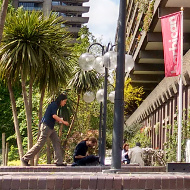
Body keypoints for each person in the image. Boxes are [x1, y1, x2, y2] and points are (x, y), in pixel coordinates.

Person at [21, 94, 69, 166]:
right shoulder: (54, 105)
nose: (65, 103)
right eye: (64, 101)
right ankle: (25, 158)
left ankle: (59, 161)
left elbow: (52, 117)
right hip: (46, 127)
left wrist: (59, 120)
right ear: (61, 100)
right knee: (40, 144)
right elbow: (54, 116)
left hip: (50, 127)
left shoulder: (55, 106)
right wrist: (63, 122)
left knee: (56, 142)